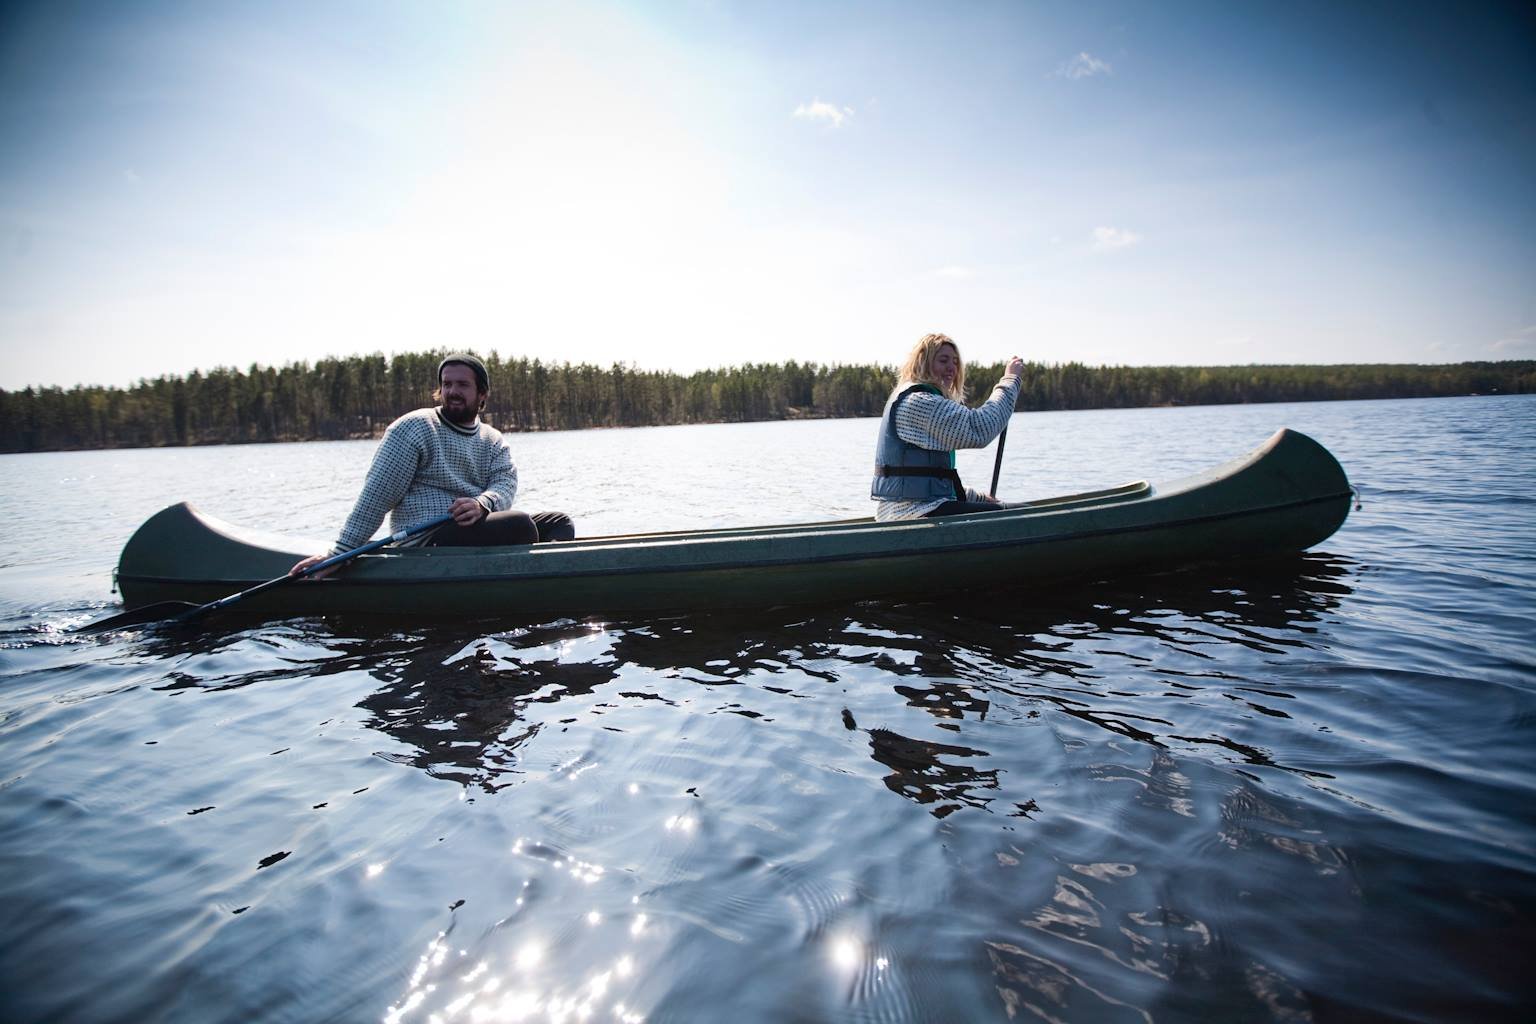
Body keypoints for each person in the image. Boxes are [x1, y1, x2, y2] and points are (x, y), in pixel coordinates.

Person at [290, 354, 574, 577]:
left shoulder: (492, 439)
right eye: (447, 384)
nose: (452, 391)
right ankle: (530, 572)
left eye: (462, 385)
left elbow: (505, 483)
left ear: (482, 394)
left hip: (478, 524)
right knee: (520, 524)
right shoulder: (414, 428)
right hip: (427, 538)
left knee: (560, 523)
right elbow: (376, 497)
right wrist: (341, 553)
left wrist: (482, 503)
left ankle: (545, 574)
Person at [871, 333, 1024, 521]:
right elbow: (979, 429)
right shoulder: (920, 402)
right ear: (923, 362)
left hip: (913, 510)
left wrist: (979, 498)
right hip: (914, 514)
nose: (952, 368)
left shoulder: (913, 397)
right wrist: (1010, 381)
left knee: (1015, 510)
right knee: (1024, 514)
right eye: (943, 360)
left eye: (955, 362)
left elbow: (934, 479)